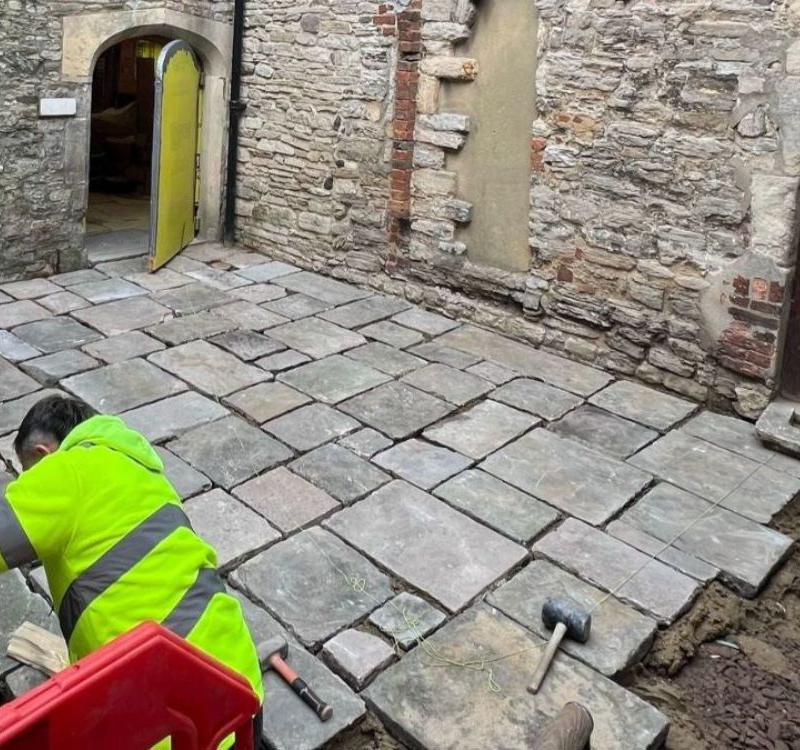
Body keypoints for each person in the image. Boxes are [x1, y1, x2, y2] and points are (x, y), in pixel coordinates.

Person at [0, 395, 264, 749]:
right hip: (241, 696)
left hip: (170, 732)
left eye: (27, 473)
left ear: (45, 455)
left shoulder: (67, 470)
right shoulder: (140, 470)